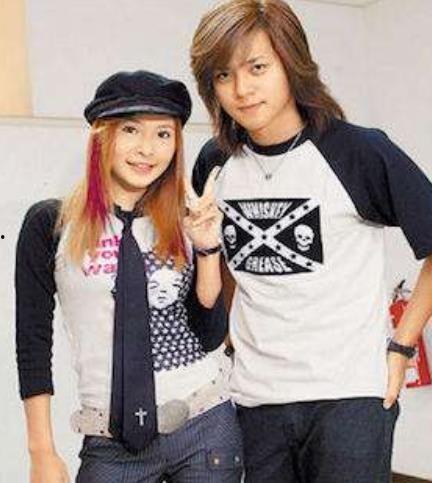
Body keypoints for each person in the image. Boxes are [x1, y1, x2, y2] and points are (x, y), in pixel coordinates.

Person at [190, 1, 432, 482]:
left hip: (349, 398)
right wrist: (234, 340)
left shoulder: (358, 150)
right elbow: (222, 260)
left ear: (291, 62)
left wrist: (402, 347)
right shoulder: (215, 163)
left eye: (257, 68)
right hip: (255, 402)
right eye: (223, 75)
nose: (241, 89)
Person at [15, 70, 243, 483]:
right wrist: (41, 451)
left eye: (163, 134)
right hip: (111, 443)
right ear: (102, 137)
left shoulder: (185, 219)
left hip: (203, 427)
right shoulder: (52, 224)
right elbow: (32, 341)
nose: (147, 149)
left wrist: (208, 249)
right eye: (131, 130)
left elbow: (210, 334)